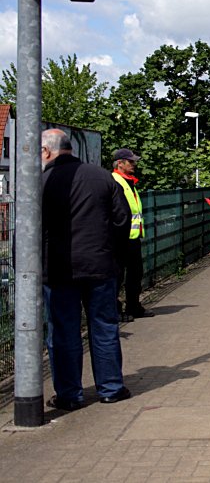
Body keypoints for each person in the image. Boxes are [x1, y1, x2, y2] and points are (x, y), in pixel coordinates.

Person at [42, 129, 132, 410]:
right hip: (100, 266)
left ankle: (70, 395)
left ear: (46, 152)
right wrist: (108, 252)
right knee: (104, 327)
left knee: (64, 331)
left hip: (58, 270)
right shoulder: (103, 177)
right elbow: (122, 221)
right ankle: (110, 388)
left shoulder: (42, 181)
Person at [112, 148, 153, 321]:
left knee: (135, 273)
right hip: (119, 238)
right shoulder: (115, 181)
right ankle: (116, 310)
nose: (134, 164)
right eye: (131, 161)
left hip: (132, 237)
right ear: (120, 163)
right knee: (117, 275)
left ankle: (133, 307)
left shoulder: (129, 182)